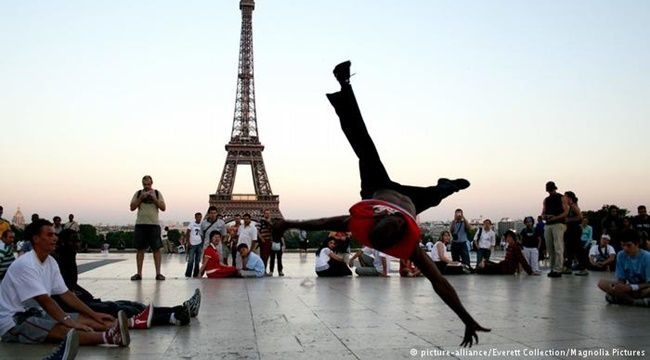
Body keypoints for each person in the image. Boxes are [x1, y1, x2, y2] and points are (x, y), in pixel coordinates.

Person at [272, 61, 487, 346]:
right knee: (436, 195)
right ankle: (448, 185)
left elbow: (320, 223)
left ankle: (344, 86)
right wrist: (465, 317)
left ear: (378, 220)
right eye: (395, 221)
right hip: (411, 200)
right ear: (400, 229)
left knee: (363, 144)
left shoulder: (360, 223)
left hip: (376, 187)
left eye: (387, 219)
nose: (391, 217)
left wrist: (286, 224)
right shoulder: (409, 244)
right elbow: (440, 283)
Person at [0, 220, 130, 347]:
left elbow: (66, 294)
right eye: (50, 235)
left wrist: (94, 314)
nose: (55, 238)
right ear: (36, 239)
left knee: (83, 318)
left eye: (55, 234)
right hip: (14, 320)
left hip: (37, 312)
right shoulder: (26, 264)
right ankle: (111, 337)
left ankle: (126, 324)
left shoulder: (50, 262)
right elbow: (45, 300)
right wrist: (70, 322)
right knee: (63, 328)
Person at [50, 229, 197, 328]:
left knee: (131, 305)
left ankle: (178, 310)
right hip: (70, 306)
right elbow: (65, 291)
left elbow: (70, 286)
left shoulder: (65, 257)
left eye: (78, 241)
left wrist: (87, 297)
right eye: (74, 241)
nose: (78, 244)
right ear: (62, 243)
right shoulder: (58, 260)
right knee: (119, 309)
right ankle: (172, 317)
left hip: (77, 301)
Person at [597, 233, 650, 307]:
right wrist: (619, 287)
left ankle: (627, 300)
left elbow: (648, 283)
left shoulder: (647, 257)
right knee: (602, 283)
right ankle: (635, 301)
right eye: (623, 245)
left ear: (637, 244)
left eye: (629, 245)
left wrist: (632, 287)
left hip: (644, 288)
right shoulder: (621, 255)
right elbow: (621, 279)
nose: (625, 248)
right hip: (631, 290)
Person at [129, 175, 166, 281]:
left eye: (148, 184)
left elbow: (163, 207)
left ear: (152, 183)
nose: (147, 187)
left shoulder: (157, 194)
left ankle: (158, 273)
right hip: (141, 224)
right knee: (140, 249)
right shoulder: (138, 194)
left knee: (156, 249)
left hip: (153, 224)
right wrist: (141, 198)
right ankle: (139, 273)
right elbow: (132, 207)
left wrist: (154, 198)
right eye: (145, 185)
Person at [541, 181, 569, 278]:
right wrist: (544, 217)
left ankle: (558, 269)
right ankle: (553, 268)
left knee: (558, 247)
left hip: (558, 224)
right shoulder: (546, 200)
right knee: (550, 248)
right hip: (549, 224)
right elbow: (543, 212)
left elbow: (566, 212)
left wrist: (555, 217)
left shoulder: (562, 197)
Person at [562, 191, 587, 276]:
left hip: (575, 229)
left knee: (577, 248)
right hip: (569, 230)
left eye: (565, 196)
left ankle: (583, 268)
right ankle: (568, 267)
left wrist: (568, 220)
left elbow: (580, 217)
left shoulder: (573, 206)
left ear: (569, 198)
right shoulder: (568, 207)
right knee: (569, 249)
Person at [185, 212, 203, 278]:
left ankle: (196, 274)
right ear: (195, 217)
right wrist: (188, 242)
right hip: (192, 244)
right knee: (191, 260)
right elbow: (187, 233)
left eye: (200, 217)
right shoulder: (191, 224)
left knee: (197, 261)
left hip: (199, 244)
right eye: (197, 217)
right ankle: (188, 274)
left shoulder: (202, 224)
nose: (199, 218)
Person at [257, 209, 275, 274]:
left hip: (271, 241)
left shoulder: (272, 222)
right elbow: (257, 231)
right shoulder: (261, 221)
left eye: (268, 213)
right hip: (264, 241)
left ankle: (270, 270)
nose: (267, 214)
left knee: (271, 257)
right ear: (264, 214)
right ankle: (263, 270)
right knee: (264, 257)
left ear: (270, 214)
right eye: (266, 213)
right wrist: (262, 239)